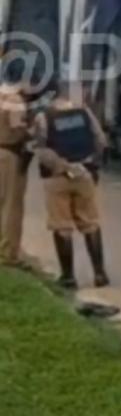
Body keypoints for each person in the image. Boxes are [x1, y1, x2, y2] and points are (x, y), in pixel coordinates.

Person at [33, 81, 109, 289]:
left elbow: (41, 149)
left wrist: (63, 166)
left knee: (61, 226)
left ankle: (68, 277)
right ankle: (100, 274)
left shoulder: (44, 116)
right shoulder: (84, 114)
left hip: (57, 177)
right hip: (84, 172)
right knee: (90, 223)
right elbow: (101, 140)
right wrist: (92, 164)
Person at [0, 65, 33, 268]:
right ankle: (9, 253)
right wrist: (32, 130)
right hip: (9, 154)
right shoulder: (15, 101)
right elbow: (17, 131)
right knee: (12, 205)